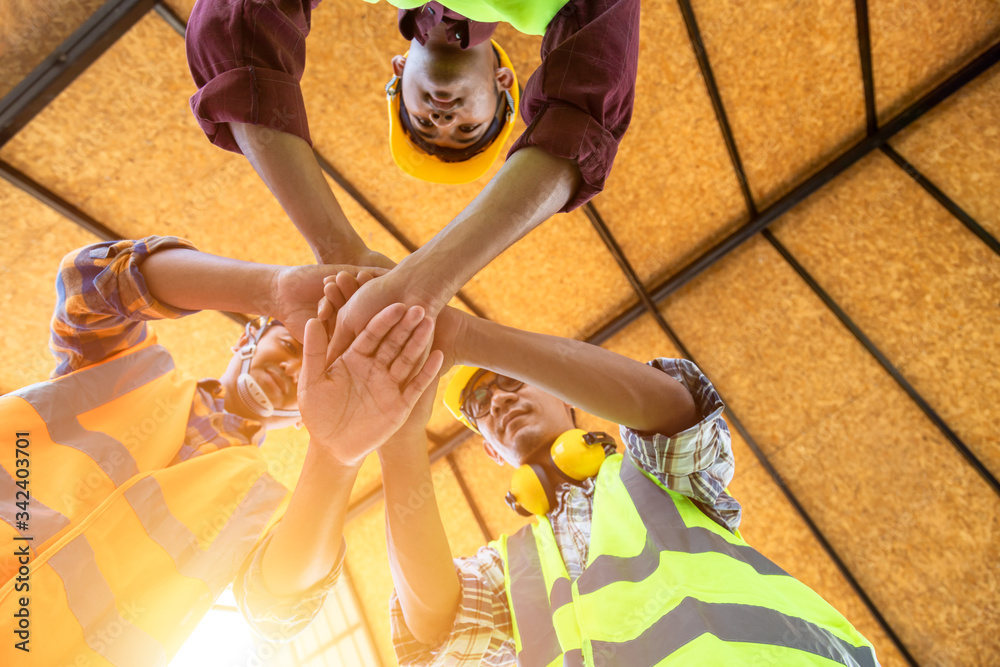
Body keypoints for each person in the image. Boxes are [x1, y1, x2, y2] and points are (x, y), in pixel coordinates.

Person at [360, 292, 881, 666]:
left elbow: (674, 407)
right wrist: (399, 436)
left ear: (565, 395)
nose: (497, 400)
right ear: (491, 452)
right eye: (479, 405)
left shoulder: (653, 471)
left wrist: (468, 336)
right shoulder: (505, 568)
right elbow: (434, 620)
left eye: (510, 379)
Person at [0, 236, 440, 664]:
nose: (292, 368)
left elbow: (278, 611)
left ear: (306, 417)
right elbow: (89, 280)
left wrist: (336, 456)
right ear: (250, 335)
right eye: (289, 344)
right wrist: (272, 289)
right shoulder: (127, 370)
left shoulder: (266, 506)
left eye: (315, 370)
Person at [185, 0, 639, 357]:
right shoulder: (554, 6)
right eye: (467, 129)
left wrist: (339, 250)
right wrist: (426, 282)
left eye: (424, 123)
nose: (443, 119)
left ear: (399, 77)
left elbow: (235, 30)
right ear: (504, 82)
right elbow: (583, 117)